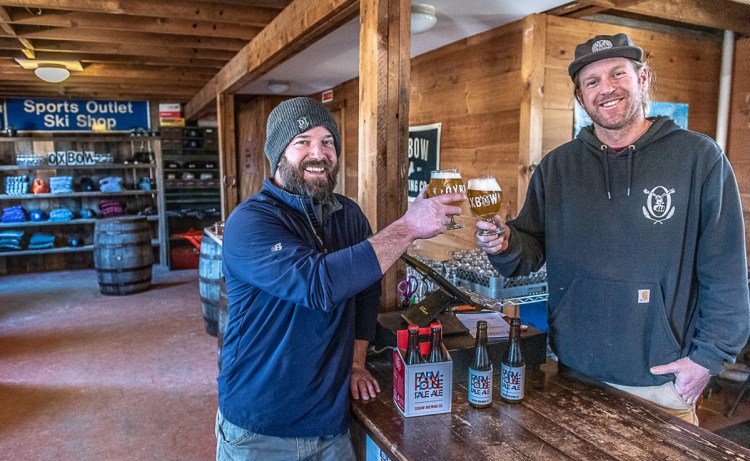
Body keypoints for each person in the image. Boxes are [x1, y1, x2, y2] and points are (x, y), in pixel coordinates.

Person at [475, 33, 750, 425]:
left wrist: (706, 360)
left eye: (617, 73)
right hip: (572, 371)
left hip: (660, 380)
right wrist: (503, 245)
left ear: (643, 78)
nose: (607, 88)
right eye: (592, 81)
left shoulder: (698, 158)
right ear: (580, 97)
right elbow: (530, 246)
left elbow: (725, 271)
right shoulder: (557, 167)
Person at [217, 96, 463, 460]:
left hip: (330, 422)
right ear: (279, 154)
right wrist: (408, 226)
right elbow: (318, 285)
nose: (318, 152)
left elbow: (365, 293)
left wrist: (355, 363)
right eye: (303, 141)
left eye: (327, 141)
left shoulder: (349, 215)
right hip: (261, 426)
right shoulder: (250, 221)